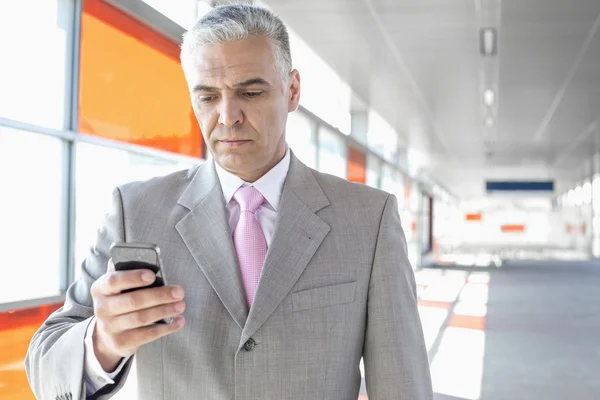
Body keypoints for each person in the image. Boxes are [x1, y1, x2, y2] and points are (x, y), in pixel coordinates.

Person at [25, 3, 433, 399]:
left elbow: (402, 385)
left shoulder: (368, 219)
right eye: (207, 97)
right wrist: (102, 342)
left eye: (250, 92)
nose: (227, 116)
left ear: (292, 91)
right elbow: (45, 365)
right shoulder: (135, 210)